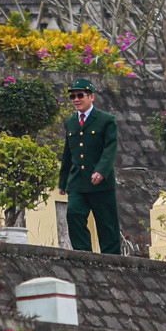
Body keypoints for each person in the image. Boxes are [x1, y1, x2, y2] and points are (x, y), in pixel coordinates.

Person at [59, 78, 121, 255]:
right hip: (77, 182)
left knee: (107, 224)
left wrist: (101, 170)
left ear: (91, 96)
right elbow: (68, 153)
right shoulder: (70, 122)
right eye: (72, 96)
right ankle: (83, 255)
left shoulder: (106, 120)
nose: (76, 99)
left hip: (101, 183)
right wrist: (63, 181)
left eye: (80, 95)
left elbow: (110, 148)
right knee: (74, 215)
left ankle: (112, 260)